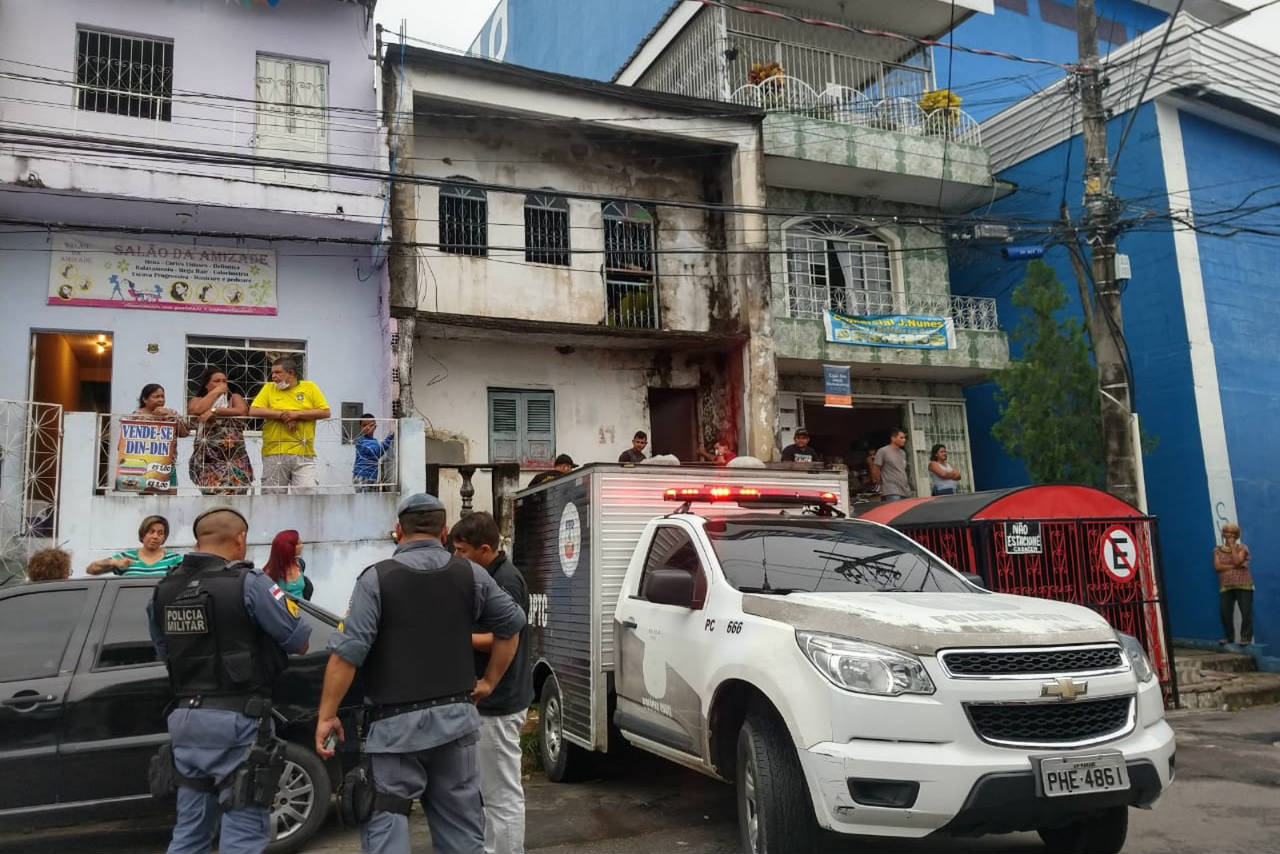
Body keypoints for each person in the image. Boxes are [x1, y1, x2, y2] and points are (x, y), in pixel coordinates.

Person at [315, 493, 527, 854]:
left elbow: (347, 654)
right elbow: (512, 626)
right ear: (444, 532)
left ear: (398, 531)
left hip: (395, 730)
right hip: (456, 725)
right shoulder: (472, 575)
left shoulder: (376, 579)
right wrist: (489, 682)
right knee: (463, 835)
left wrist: (327, 716)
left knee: (387, 826)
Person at [148, 507, 311, 854]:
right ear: (240, 539)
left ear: (198, 539)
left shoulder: (164, 589)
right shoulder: (249, 584)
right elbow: (299, 640)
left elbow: (164, 654)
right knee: (244, 832)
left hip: (185, 722)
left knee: (190, 833)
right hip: (237, 723)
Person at [449, 512, 533, 854]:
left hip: (499, 700)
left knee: (502, 796)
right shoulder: (489, 574)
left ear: (485, 549)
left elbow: (505, 634)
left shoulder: (506, 581)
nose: (456, 558)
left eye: (462, 551)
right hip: (492, 698)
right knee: (488, 792)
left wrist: (457, 636)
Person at [249, 357, 331, 494]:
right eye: (272, 373)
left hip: (303, 452)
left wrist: (296, 415)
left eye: (278, 372)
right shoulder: (269, 388)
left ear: (291, 373)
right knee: (272, 496)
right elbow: (254, 410)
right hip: (274, 451)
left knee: (307, 493)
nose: (273, 376)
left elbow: (325, 412)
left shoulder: (309, 387)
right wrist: (283, 415)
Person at [187, 367, 253, 495]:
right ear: (206, 384)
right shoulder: (198, 400)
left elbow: (242, 411)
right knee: (212, 495)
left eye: (224, 381)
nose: (222, 384)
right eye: (217, 381)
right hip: (209, 459)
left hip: (233, 458)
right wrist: (215, 392)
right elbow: (196, 410)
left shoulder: (233, 398)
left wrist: (215, 411)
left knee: (236, 495)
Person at [132, 383, 191, 492]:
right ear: (145, 399)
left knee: (170, 495)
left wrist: (170, 416)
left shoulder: (171, 413)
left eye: (162, 396)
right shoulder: (136, 416)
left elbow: (185, 433)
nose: (160, 400)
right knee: (146, 496)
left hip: (167, 464)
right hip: (145, 464)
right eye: (156, 397)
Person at [86, 515, 183, 577]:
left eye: (160, 533)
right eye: (151, 532)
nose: (155, 536)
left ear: (164, 538)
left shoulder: (174, 559)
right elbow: (91, 569)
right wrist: (113, 562)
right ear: (143, 534)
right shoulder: (126, 557)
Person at [1215, 523, 1254, 646]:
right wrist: (1235, 566)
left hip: (1243, 584)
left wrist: (1232, 547)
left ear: (1237, 536)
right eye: (1227, 533)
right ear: (1223, 534)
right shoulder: (1217, 550)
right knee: (1225, 612)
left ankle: (1245, 637)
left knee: (1246, 612)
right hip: (1226, 586)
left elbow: (1238, 560)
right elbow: (1217, 567)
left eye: (1233, 534)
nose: (1230, 536)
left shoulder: (1243, 548)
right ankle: (1229, 637)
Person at [263, 529, 313, 601]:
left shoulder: (299, 564)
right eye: (298, 543)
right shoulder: (270, 575)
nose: (302, 545)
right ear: (289, 549)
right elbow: (276, 602)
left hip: (302, 610)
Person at [353, 414, 395, 492]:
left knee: (370, 501)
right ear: (360, 427)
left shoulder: (373, 441)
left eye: (371, 425)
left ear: (375, 427)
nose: (367, 428)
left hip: (371, 476)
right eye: (364, 425)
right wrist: (391, 435)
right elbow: (377, 452)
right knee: (365, 501)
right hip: (362, 476)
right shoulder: (361, 441)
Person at [872, 428, 912, 502]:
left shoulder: (903, 453)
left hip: (905, 490)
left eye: (905, 438)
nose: (904, 440)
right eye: (901, 438)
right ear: (893, 438)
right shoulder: (883, 451)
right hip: (891, 490)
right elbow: (875, 469)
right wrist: (880, 484)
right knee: (896, 511)